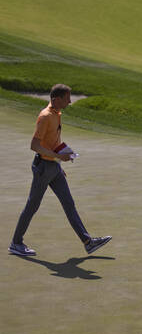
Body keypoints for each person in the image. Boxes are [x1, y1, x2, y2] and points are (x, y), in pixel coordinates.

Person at [9, 84, 111, 258]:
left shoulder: (57, 115)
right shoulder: (45, 116)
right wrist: (57, 156)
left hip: (53, 167)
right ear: (56, 99)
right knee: (32, 206)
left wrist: (60, 159)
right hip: (43, 168)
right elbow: (34, 145)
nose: (70, 101)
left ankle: (88, 242)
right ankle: (16, 243)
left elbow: (52, 142)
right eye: (67, 98)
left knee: (69, 204)